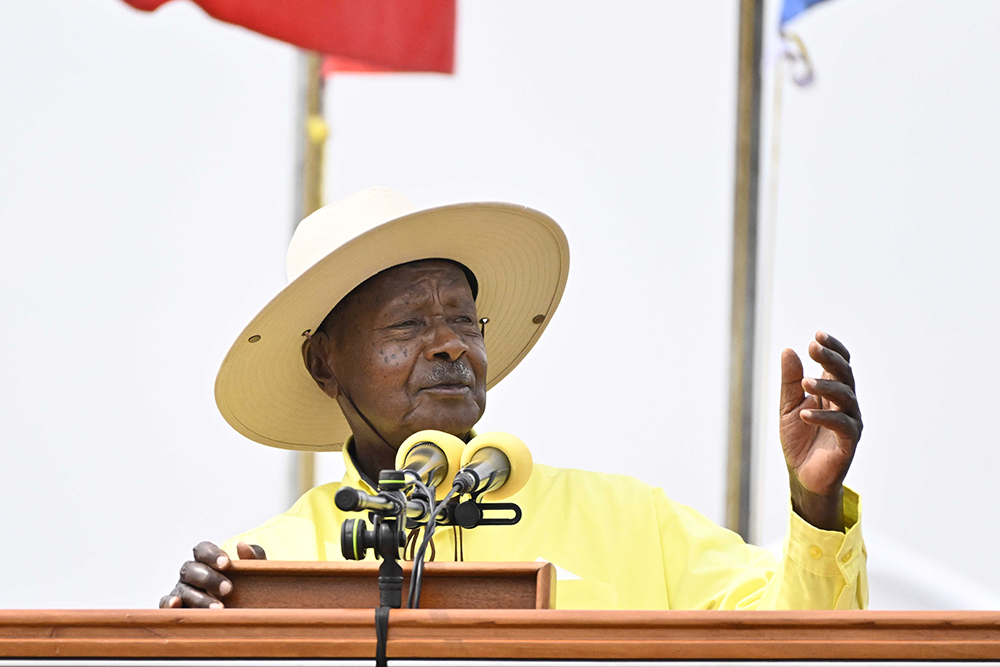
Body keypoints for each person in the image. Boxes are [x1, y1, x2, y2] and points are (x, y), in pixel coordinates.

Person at [161, 188, 866, 610]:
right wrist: (193, 635)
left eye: (465, 320)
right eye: (409, 324)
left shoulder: (630, 519)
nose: (449, 346)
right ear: (325, 362)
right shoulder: (271, 564)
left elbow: (801, 637)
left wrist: (816, 507)